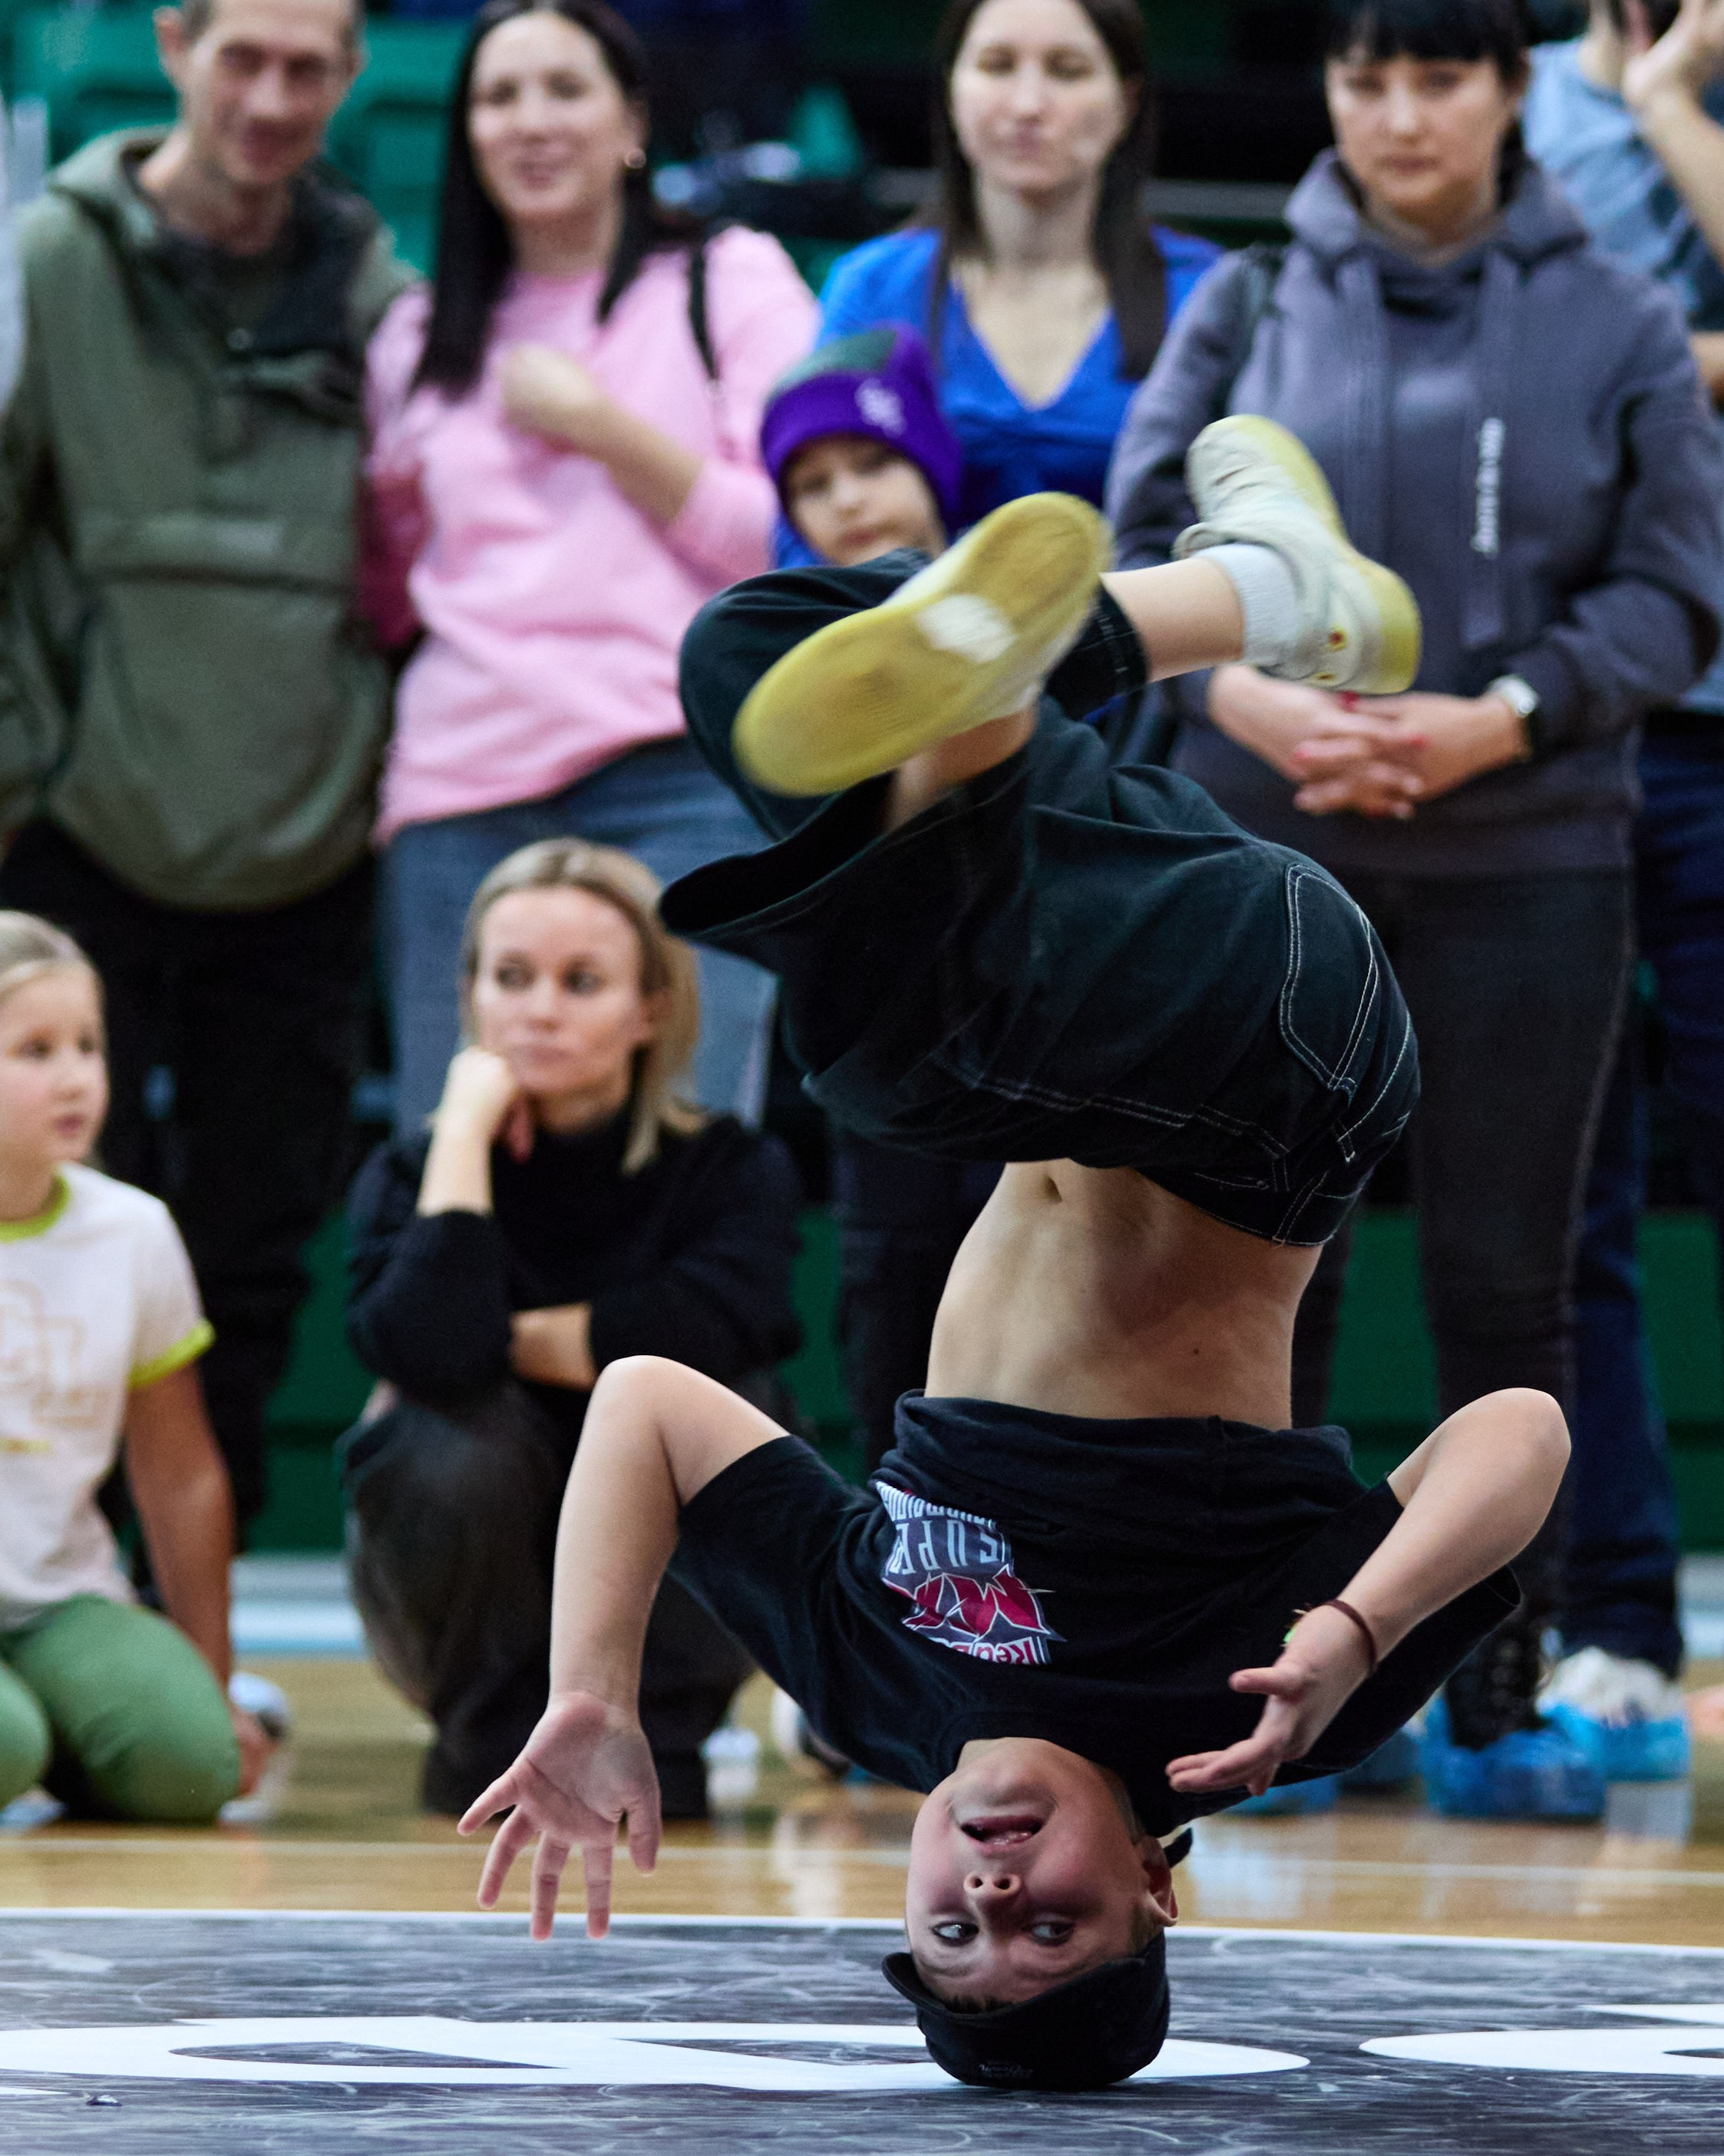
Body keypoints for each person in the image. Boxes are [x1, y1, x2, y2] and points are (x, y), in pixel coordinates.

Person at [460, 448, 1565, 2093]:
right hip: (1269, 1082)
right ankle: (984, 724)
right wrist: (1352, 1624)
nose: (986, 1895)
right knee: (882, 1059)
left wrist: (593, 1691)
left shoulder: (869, 1688)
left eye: (952, 1937)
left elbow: (647, 1407)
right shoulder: (1234, 1719)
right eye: (1048, 1931)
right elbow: (1523, 1433)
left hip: (1081, 995)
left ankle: (1251, 595)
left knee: (752, 661)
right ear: (1150, 1892)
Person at [1107, 0, 1724, 1819]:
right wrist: (1241, 699)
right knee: (1252, 1286)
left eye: (1434, 77)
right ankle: (1254, 1690)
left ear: (1507, 91)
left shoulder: (1612, 316)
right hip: (1263, 862)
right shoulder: (1236, 303)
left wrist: (1497, 719)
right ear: (1326, 88)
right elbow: (1137, 539)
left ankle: (1488, 1688)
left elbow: (1670, 592)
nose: (1394, 115)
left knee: (1500, 1294)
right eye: (1363, 76)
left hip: (1523, 858)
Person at [0, 0, 414, 1543]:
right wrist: (28, 764)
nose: (271, 96)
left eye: (309, 67)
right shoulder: (46, 260)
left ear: (353, 76)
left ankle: (192, 1634)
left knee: (244, 1260)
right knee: (43, 1241)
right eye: (242, 55)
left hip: (305, 856)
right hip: (79, 831)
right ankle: (36, 1597)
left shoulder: (386, 298)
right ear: (173, 42)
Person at [361, 0, 819, 1139]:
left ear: (631, 123)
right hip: (461, 794)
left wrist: (605, 429)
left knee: (686, 1174)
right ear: (464, 133)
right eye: (498, 96)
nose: (531, 121)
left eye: (564, 89)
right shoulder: (415, 339)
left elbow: (796, 546)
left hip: (686, 776)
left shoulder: (732, 281)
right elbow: (388, 587)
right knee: (455, 1168)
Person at [343, 839, 801, 1818]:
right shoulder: (411, 1173)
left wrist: (503, 1338)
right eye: (510, 978)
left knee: (711, 1420)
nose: (538, 1008)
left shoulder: (732, 1170)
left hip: (673, 1643)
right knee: (444, 1436)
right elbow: (430, 1349)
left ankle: (659, 1738)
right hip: (468, 1627)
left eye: (580, 981)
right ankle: (490, 1743)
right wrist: (462, 1137)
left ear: (652, 1008)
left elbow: (702, 1338)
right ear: (469, 997)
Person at [1521, 0, 1724, 1780]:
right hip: (1574, 728)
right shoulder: (1483, 105)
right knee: (1568, 1208)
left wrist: (1667, 107)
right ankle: (1612, 1627)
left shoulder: (1644, 115)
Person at [0, 914, 271, 1823]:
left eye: (88, 1045)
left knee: (189, 1768)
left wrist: (215, 1684)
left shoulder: (132, 1232)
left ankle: (68, 1720)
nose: (75, 1076)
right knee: (7, 1743)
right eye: (34, 1049)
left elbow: (180, 1474)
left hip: (56, 1602)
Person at [816, 0, 1220, 532]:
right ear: (951, 89)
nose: (1029, 104)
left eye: (1067, 71)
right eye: (997, 65)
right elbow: (806, 524)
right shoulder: (871, 289)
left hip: (1150, 616)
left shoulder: (1208, 293)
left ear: (1128, 99)